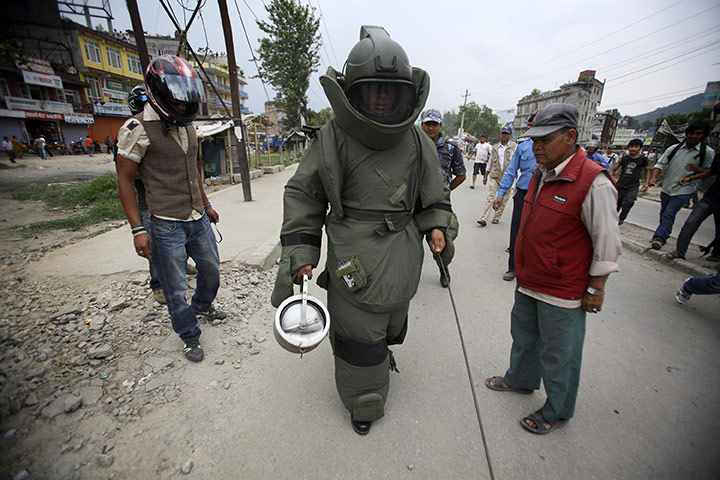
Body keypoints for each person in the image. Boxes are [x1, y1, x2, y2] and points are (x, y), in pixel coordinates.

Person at [271, 26, 457, 436]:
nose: (383, 100)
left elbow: (434, 195)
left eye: (391, 93)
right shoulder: (332, 137)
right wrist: (301, 255)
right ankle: (364, 400)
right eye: (375, 91)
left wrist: (438, 226)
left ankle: (378, 354)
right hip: (351, 253)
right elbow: (304, 196)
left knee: (391, 325)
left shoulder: (416, 140)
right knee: (359, 337)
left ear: (406, 95)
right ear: (353, 92)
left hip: (402, 256)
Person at [485, 103, 621, 435]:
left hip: (563, 290)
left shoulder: (594, 182)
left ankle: (557, 409)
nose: (537, 147)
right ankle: (520, 379)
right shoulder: (539, 174)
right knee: (525, 337)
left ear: (570, 136)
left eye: (545, 140)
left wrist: (596, 289)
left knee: (560, 354)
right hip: (530, 278)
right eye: (534, 140)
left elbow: (606, 242)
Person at [116, 55, 226, 363]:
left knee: (211, 270)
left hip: (197, 217)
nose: (183, 105)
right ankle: (189, 335)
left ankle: (203, 305)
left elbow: (193, 171)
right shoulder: (137, 128)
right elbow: (124, 179)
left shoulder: (188, 126)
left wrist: (206, 205)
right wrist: (138, 229)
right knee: (175, 288)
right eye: (177, 100)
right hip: (165, 223)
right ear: (160, 93)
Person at [648, 122, 715, 250]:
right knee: (664, 212)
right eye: (691, 133)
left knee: (669, 213)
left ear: (703, 135)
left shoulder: (707, 152)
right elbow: (660, 164)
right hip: (667, 187)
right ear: (687, 134)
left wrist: (695, 172)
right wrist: (654, 177)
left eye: (698, 134)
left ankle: (659, 238)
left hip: (685, 189)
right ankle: (664, 233)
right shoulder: (674, 149)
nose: (694, 136)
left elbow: (709, 171)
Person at [420, 108, 466, 287]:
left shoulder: (451, 149)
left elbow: (461, 175)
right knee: (410, 241)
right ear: (421, 125)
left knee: (438, 241)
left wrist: (445, 191)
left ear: (440, 126)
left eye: (434, 124)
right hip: (414, 203)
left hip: (438, 204)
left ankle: (443, 269)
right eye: (427, 124)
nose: (430, 128)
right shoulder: (412, 146)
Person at [492, 113, 537, 281]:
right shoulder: (523, 146)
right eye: (530, 125)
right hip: (524, 195)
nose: (531, 129)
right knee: (517, 231)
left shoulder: (552, 147)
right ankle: (513, 267)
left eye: (535, 125)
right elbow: (511, 171)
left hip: (544, 197)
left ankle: (532, 270)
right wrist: (500, 194)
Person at [664, 154, 719, 261]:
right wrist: (690, 178)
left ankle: (716, 253)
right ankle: (680, 251)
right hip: (710, 197)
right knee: (691, 223)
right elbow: (711, 171)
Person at [477, 126, 517, 226]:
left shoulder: (515, 147)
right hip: (495, 176)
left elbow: (517, 163)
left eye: (506, 134)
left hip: (508, 177)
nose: (504, 135)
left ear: (510, 135)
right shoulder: (495, 148)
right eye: (503, 133)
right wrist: (485, 176)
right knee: (490, 197)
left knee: (504, 198)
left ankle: (497, 216)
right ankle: (483, 218)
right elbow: (490, 163)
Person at [610, 138, 650, 225]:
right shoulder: (624, 159)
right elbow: (613, 170)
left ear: (640, 148)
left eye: (636, 146)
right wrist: (610, 178)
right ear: (628, 147)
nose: (633, 149)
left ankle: (622, 217)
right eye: (631, 146)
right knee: (616, 204)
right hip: (621, 184)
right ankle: (611, 219)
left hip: (633, 186)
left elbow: (647, 171)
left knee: (629, 201)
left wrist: (646, 183)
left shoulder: (642, 160)